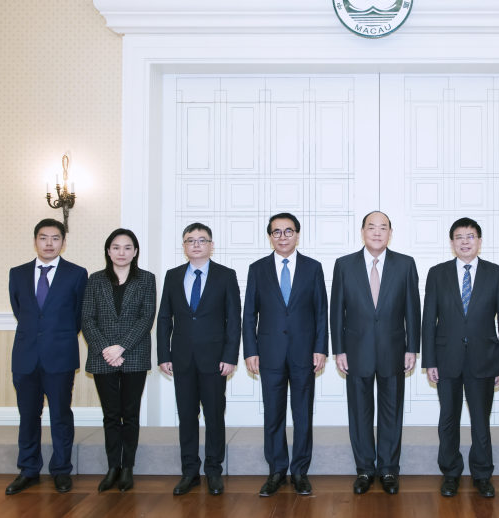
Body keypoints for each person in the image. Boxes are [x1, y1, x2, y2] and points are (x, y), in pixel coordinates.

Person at [331, 211, 421, 495]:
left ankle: (388, 469)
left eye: (383, 228)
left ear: (390, 233)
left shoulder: (405, 264)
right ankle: (365, 470)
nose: (377, 232)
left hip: (393, 350)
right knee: (359, 412)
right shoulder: (344, 265)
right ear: (363, 232)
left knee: (391, 412)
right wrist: (339, 350)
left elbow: (413, 309)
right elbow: (337, 310)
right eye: (372, 227)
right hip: (355, 351)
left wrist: (412, 347)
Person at [421, 218, 499, 498]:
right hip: (446, 358)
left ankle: (482, 474)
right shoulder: (438, 273)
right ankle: (450, 472)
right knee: (448, 419)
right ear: (452, 243)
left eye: (470, 236)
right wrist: (429, 361)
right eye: (459, 237)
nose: (465, 242)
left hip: (485, 358)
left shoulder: (497, 273)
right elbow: (428, 320)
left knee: (481, 420)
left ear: (479, 241)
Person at [243, 213, 328, 497]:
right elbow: (249, 314)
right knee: (273, 416)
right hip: (269, 354)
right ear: (270, 237)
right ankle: (277, 471)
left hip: (305, 353)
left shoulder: (313, 268)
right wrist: (250, 351)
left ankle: (300, 471)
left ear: (297, 235)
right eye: (276, 232)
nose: (283, 237)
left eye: (288, 231)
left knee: (302, 415)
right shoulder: (257, 269)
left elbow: (321, 312)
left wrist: (320, 348)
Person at [157, 222, 241, 496]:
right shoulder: (172, 276)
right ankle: (189, 472)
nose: (196, 244)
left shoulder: (225, 275)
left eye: (202, 240)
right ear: (183, 246)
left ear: (211, 245)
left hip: (215, 359)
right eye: (190, 240)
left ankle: (214, 471)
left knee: (214, 416)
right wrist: (163, 354)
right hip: (181, 358)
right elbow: (164, 318)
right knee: (187, 417)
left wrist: (230, 355)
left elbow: (234, 319)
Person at [5, 219, 88, 495]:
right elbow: (20, 310)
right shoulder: (17, 273)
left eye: (55, 238)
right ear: (35, 241)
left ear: (63, 242)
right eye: (43, 238)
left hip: (60, 356)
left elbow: (78, 316)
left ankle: (61, 470)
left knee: (61, 415)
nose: (49, 243)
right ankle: (28, 470)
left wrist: (58, 336)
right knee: (28, 415)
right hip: (25, 356)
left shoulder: (77, 274)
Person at [81, 229, 157, 493]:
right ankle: (113, 467)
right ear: (108, 251)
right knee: (111, 415)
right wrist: (106, 349)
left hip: (133, 354)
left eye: (127, 247)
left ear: (135, 252)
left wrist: (121, 347)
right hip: (103, 357)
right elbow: (87, 318)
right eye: (116, 247)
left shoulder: (146, 279)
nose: (121, 252)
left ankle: (127, 468)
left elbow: (147, 317)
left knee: (130, 414)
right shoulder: (95, 279)